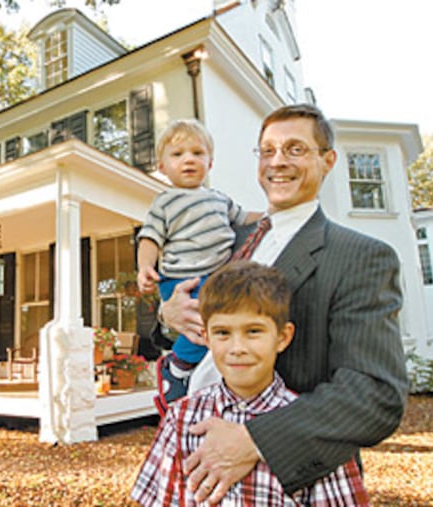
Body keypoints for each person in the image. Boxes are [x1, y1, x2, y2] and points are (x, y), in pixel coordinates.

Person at [155, 104, 408, 503]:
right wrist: (168, 313)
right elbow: (192, 308)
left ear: (327, 161)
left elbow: (374, 393)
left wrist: (254, 441)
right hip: (193, 446)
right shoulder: (227, 241)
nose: (277, 162)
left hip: (284, 473)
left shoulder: (360, 256)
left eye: (294, 149)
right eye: (267, 150)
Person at [131, 261, 370, 506]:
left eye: (253, 331)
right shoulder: (181, 419)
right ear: (206, 337)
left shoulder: (310, 429)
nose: (237, 349)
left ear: (282, 337)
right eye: (223, 333)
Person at [136, 119, 260, 412]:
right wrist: (144, 268)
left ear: (210, 162)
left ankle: (200, 376)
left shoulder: (220, 199)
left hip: (214, 277)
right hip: (181, 279)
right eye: (177, 155)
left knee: (221, 325)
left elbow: (245, 218)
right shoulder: (165, 202)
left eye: (197, 153)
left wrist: (274, 213)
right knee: (204, 325)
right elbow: (150, 238)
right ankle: (176, 368)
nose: (188, 159)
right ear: (162, 167)